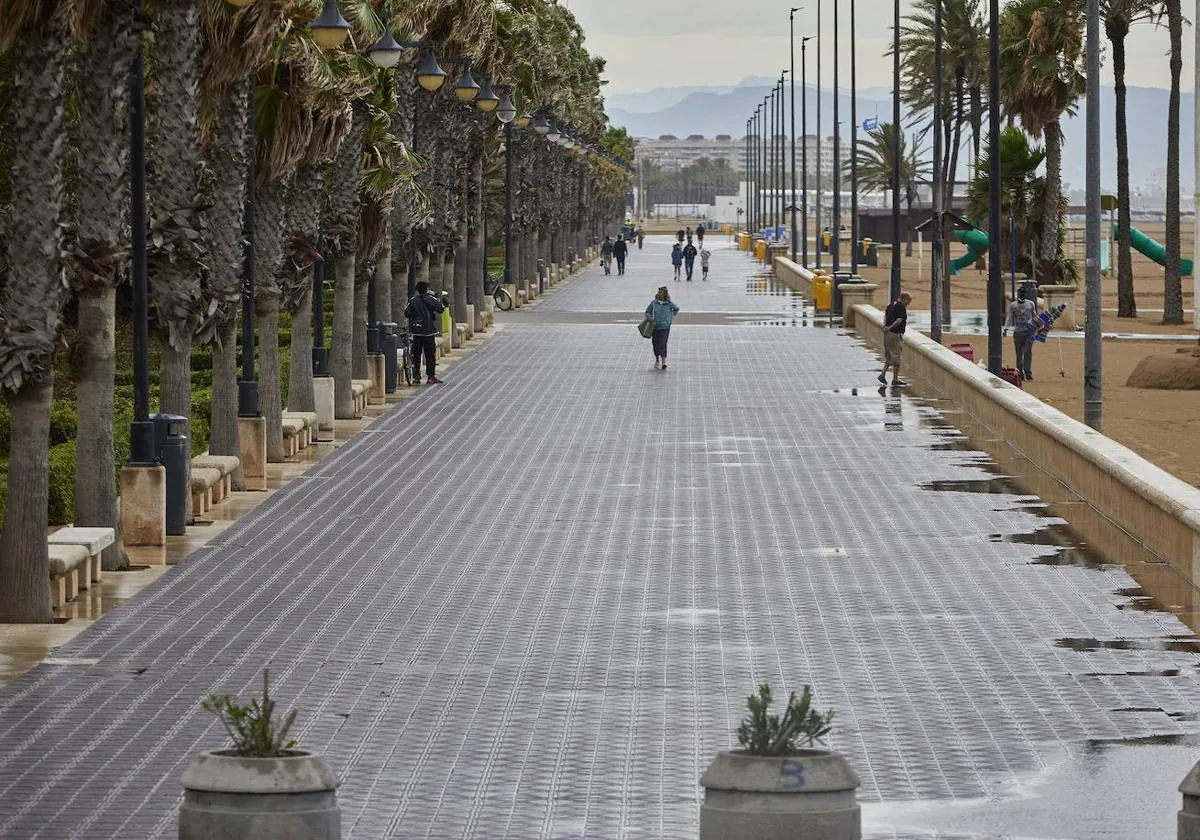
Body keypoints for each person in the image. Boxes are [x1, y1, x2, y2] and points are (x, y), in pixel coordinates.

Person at [404, 280, 446, 385]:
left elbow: (407, 313)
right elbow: (440, 309)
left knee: (416, 354)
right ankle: (431, 376)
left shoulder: (413, 300)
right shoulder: (431, 298)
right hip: (428, 331)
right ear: (427, 289)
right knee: (430, 355)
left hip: (417, 331)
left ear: (417, 290)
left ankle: (416, 375)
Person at [1005, 286, 1038, 380]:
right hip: (1018, 332)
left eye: (1024, 293)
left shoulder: (1030, 304)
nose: (1022, 295)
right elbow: (1009, 317)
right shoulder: (1013, 305)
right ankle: (1020, 372)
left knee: (1028, 352)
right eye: (1021, 293)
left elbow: (1035, 316)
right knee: (1019, 353)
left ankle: (1028, 372)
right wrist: (1006, 329)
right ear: (1018, 294)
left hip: (1029, 332)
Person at [879, 292, 911, 387]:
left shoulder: (891, 305)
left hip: (887, 334)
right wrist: (890, 328)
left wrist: (885, 327)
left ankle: (882, 375)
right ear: (904, 299)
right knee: (896, 358)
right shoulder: (901, 307)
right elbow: (899, 320)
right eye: (908, 301)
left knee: (888, 357)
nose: (909, 304)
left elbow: (885, 316)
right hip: (894, 334)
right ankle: (895, 379)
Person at [645, 286, 680, 370]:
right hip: (655, 327)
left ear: (665, 294)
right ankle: (657, 360)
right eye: (658, 292)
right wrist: (649, 317)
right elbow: (647, 312)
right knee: (655, 343)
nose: (659, 294)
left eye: (661, 292)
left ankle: (664, 361)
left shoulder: (669, 303)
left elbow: (676, 309)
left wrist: (669, 318)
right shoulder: (654, 302)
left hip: (665, 327)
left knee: (663, 343)